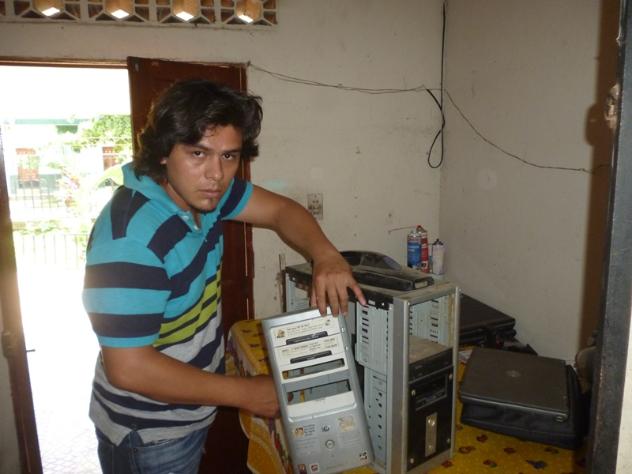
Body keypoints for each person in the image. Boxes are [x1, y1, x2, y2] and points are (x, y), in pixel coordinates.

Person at [82, 79, 366, 474]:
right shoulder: (129, 238)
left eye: (229, 156)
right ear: (163, 151)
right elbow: (128, 367)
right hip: (147, 433)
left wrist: (326, 255)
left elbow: (281, 211)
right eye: (198, 153)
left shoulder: (206, 195)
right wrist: (244, 392)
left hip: (188, 410)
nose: (216, 174)